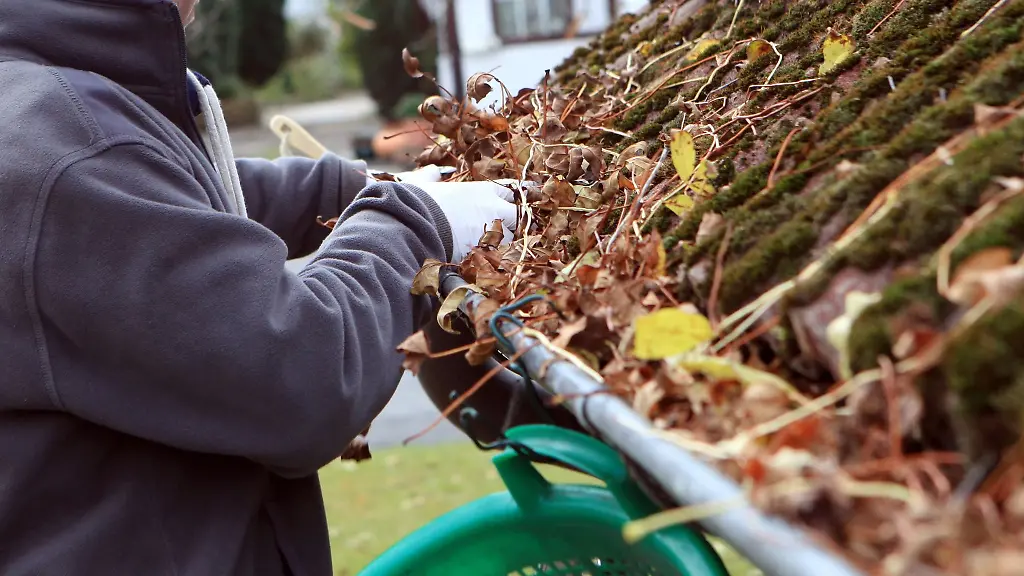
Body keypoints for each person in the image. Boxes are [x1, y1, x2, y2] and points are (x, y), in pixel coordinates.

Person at [0, 0, 518, 574]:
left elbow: (172, 196)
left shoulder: (39, 99)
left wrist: (354, 185)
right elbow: (303, 367)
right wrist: (414, 221)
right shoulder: (67, 147)